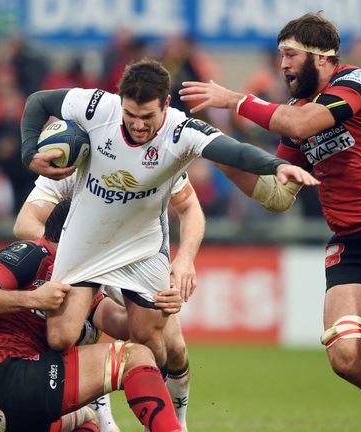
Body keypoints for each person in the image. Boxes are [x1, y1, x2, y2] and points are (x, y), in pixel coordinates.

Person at [180, 13, 361, 431]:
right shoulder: (293, 112)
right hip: (352, 242)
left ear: (322, 58)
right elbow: (277, 194)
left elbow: (305, 124)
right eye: (280, 56)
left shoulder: (355, 81)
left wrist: (235, 100)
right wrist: (212, 149)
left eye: (289, 55)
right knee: (346, 356)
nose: (281, 65)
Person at [20, 59, 318, 399]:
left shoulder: (181, 132)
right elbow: (38, 102)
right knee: (60, 336)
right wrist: (30, 152)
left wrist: (276, 164)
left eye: (147, 116)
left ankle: (164, 417)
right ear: (120, 101)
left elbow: (233, 152)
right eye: (130, 114)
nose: (137, 124)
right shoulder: (97, 106)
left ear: (166, 105)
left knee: (151, 343)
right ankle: (101, 392)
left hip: (142, 246)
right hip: (86, 239)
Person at [0, 199, 185, 432]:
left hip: (18, 398)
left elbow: (120, 324)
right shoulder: (32, 254)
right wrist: (33, 299)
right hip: (3, 377)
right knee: (136, 357)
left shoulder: (80, 278)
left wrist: (156, 305)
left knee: (86, 421)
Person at [14, 172, 202, 431]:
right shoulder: (75, 161)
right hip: (85, 257)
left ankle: (177, 421)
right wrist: (77, 246)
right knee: (72, 333)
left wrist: (185, 259)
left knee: (171, 346)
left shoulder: (160, 153)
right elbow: (24, 223)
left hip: (138, 259)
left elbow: (190, 206)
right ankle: (105, 422)